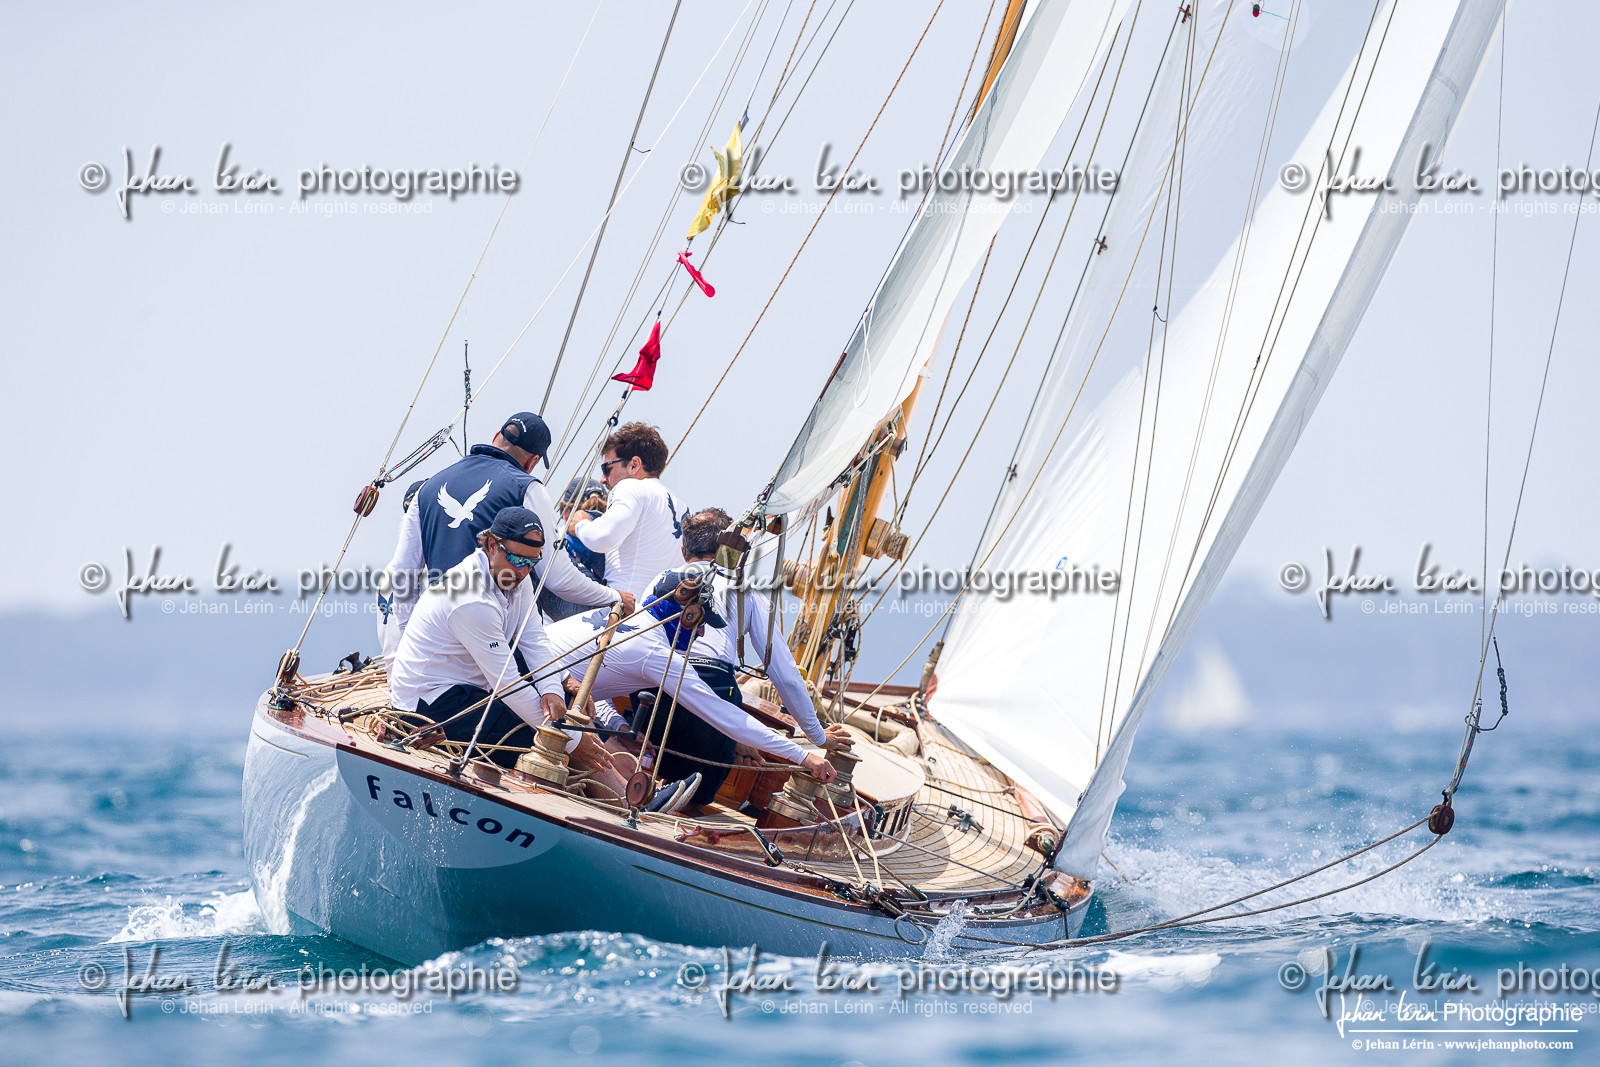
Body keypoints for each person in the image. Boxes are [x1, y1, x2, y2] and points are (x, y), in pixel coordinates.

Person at [544, 569, 838, 811]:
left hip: (537, 678)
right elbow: (724, 715)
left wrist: (618, 724)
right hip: (535, 695)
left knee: (603, 734)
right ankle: (628, 801)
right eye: (699, 622)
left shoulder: (629, 620)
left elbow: (595, 677)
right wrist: (804, 757)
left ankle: (634, 790)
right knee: (586, 734)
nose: (700, 633)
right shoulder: (656, 652)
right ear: (684, 615)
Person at [388, 507, 627, 798]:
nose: (523, 570)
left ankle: (626, 792)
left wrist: (553, 689)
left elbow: (534, 640)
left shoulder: (518, 577)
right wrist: (575, 743)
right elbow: (509, 685)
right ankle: (626, 802)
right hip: (430, 703)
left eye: (531, 562)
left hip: (476, 689)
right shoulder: (470, 600)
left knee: (568, 712)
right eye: (515, 559)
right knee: (554, 738)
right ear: (491, 545)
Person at [377, 412, 632, 656]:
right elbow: (556, 577)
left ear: (496, 436)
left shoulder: (427, 488)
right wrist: (612, 596)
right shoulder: (527, 487)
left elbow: (402, 574)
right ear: (533, 461)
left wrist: (411, 639)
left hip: (440, 636)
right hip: (499, 635)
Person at [666, 507, 853, 811]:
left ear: (683, 549)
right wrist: (818, 736)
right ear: (734, 551)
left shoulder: (662, 582)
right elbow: (786, 675)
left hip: (655, 711)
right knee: (697, 797)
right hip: (713, 701)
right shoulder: (746, 594)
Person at [567, 422, 683, 602]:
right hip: (658, 619)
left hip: (619, 612)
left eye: (607, 468)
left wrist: (580, 524)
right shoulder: (681, 505)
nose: (602, 480)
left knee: (545, 552)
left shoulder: (630, 487)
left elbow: (603, 537)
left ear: (634, 465)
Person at [536, 475, 611, 623]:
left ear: (565, 512)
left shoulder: (556, 539)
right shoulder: (614, 536)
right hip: (615, 613)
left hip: (572, 624)